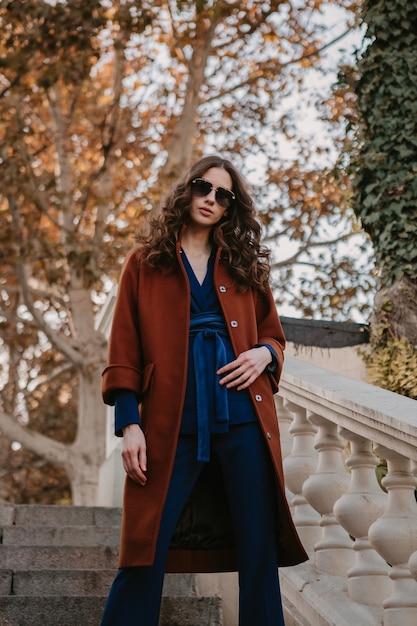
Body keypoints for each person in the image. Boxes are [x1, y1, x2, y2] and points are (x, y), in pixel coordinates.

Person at [100, 155, 308, 626]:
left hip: (242, 417)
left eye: (223, 195)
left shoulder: (243, 265)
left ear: (232, 208)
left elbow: (273, 336)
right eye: (203, 188)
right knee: (144, 546)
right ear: (186, 192)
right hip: (168, 421)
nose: (211, 199)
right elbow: (124, 349)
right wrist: (129, 422)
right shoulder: (144, 262)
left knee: (258, 551)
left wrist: (264, 356)